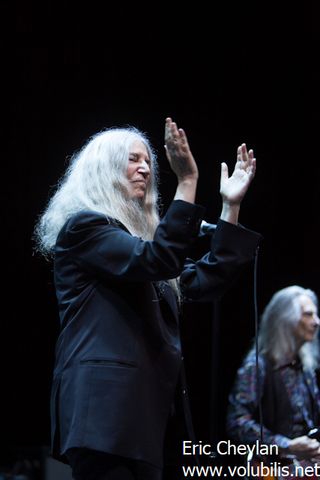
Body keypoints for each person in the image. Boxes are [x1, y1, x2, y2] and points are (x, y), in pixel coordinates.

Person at [35, 117, 261, 480]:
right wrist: (187, 181)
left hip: (148, 421)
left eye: (149, 162)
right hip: (105, 421)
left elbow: (204, 280)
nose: (145, 168)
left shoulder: (139, 250)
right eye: (133, 159)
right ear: (103, 169)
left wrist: (229, 208)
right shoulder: (84, 229)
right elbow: (158, 260)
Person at [227, 285, 320, 479]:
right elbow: (237, 422)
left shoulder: (305, 366)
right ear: (286, 319)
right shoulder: (258, 366)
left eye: (315, 315)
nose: (316, 322)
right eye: (308, 315)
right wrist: (286, 445)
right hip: (272, 470)